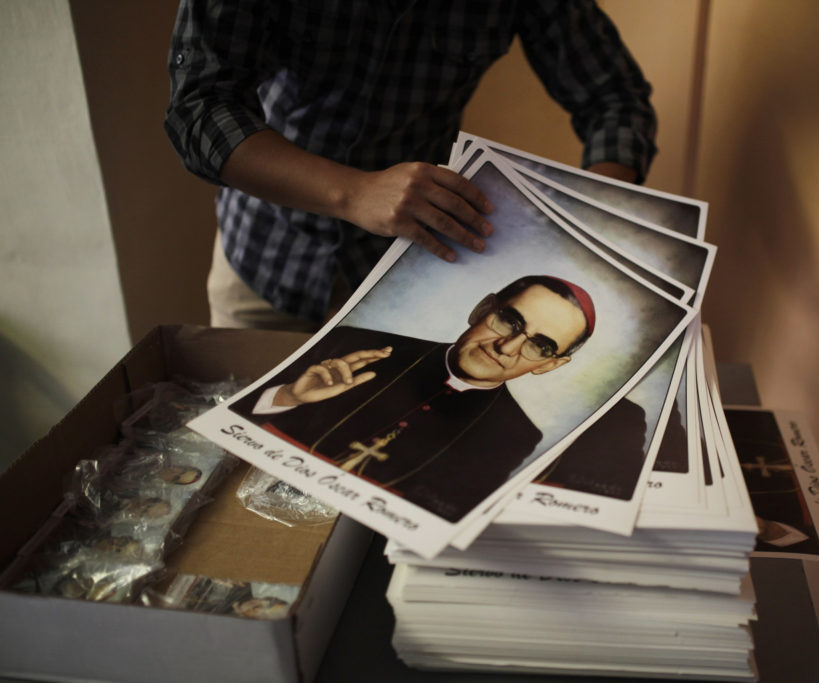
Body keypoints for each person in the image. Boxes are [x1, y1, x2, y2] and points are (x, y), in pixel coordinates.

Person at [164, 1, 657, 331]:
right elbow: (200, 108)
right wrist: (355, 192)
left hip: (413, 275)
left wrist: (584, 228)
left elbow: (614, 97)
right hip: (266, 255)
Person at [230, 275, 595, 522]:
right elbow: (233, 422)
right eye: (509, 322)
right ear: (483, 310)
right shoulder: (354, 342)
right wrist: (290, 396)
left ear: (549, 365)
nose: (507, 347)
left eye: (538, 345)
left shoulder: (516, 436)